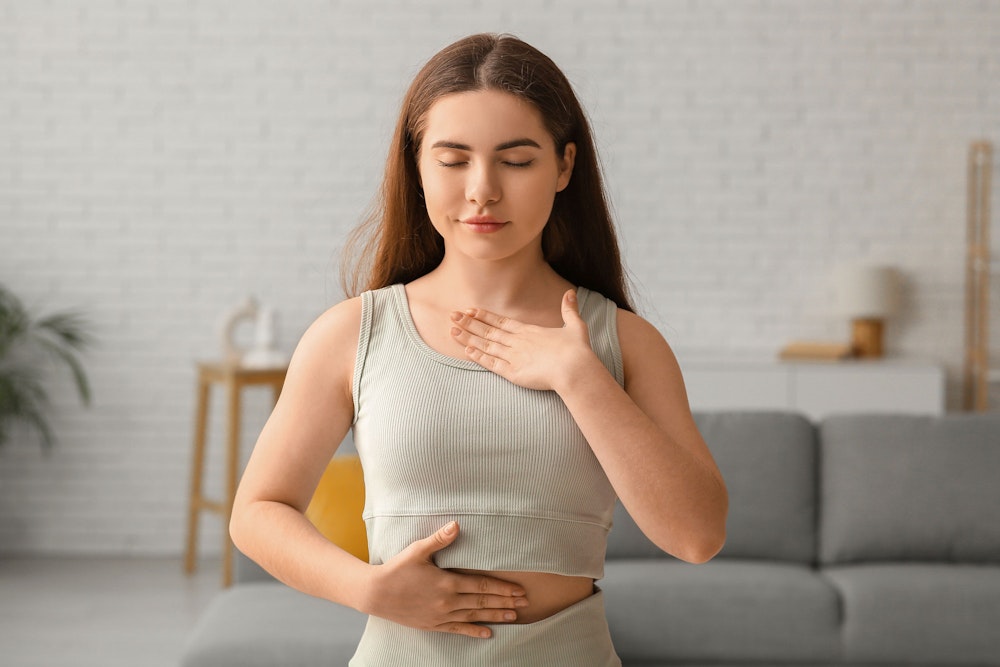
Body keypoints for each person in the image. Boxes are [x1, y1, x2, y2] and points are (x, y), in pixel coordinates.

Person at [230, 33, 728, 666]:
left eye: (517, 161)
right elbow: (257, 512)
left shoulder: (623, 342)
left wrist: (581, 378)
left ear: (564, 166)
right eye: (453, 159)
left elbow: (698, 536)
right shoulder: (352, 333)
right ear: (417, 165)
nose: (482, 190)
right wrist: (367, 588)